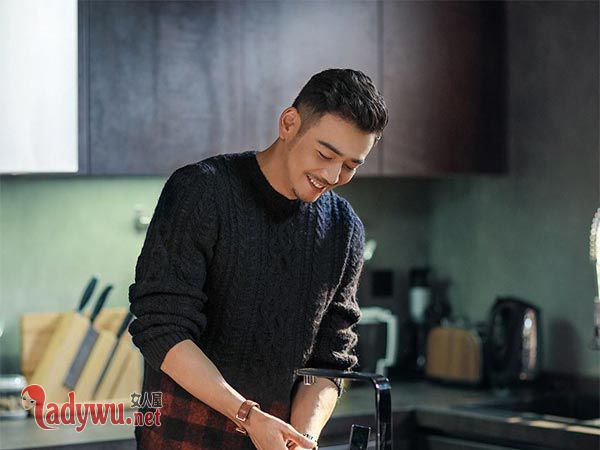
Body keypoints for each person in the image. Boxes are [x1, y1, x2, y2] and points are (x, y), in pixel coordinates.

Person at [128, 68, 388, 450]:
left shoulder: (344, 230)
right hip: (180, 439)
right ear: (289, 124)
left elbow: (329, 361)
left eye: (350, 166)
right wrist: (249, 417)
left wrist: (302, 439)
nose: (333, 175)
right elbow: (162, 329)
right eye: (325, 154)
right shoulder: (202, 191)